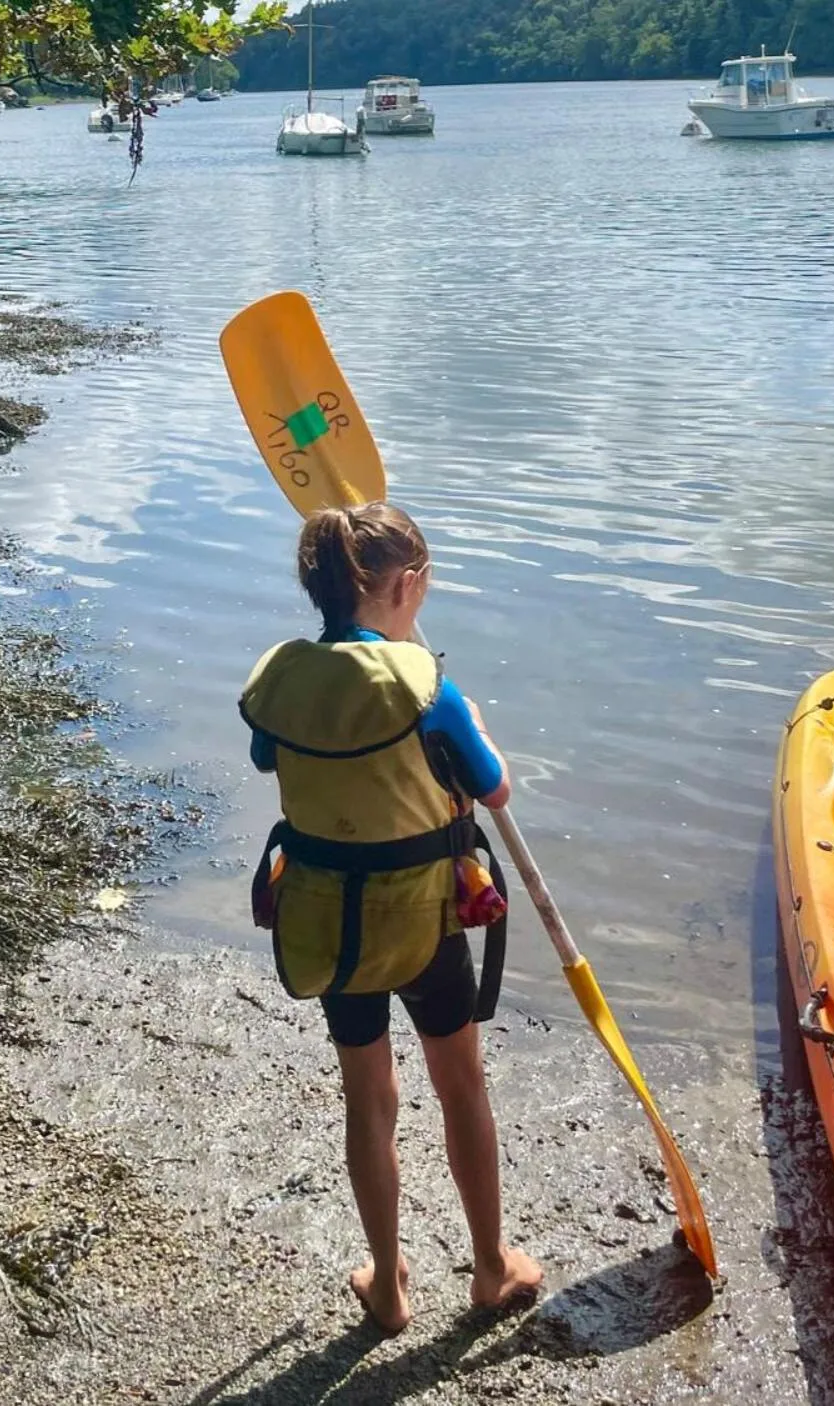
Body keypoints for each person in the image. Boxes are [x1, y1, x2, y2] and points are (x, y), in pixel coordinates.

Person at [239, 500, 543, 1335]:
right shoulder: (429, 689)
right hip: (423, 928)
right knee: (460, 1086)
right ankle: (488, 1268)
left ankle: (387, 1286)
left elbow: (267, 753)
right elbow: (493, 788)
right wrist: (467, 719)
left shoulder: (277, 679)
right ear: (405, 585)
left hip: (326, 923)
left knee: (365, 1097)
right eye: (425, 584)